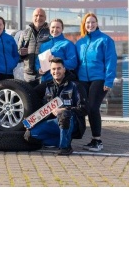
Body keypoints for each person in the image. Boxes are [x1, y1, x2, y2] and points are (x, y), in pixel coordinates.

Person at [26, 58, 86, 156]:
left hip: (72, 122)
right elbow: (43, 109)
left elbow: (84, 109)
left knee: (64, 114)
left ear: (64, 70)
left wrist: (65, 109)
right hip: (54, 122)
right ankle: (61, 140)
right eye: (53, 69)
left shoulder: (75, 85)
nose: (56, 71)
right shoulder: (48, 86)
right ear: (50, 71)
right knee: (30, 135)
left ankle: (65, 147)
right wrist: (32, 120)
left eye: (59, 68)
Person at [76, 12, 117, 152]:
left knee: (93, 107)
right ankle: (80, 137)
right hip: (82, 80)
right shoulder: (80, 42)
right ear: (84, 25)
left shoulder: (105, 40)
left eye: (93, 22)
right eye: (88, 22)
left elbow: (111, 61)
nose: (90, 25)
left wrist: (109, 80)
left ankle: (97, 140)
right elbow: (76, 62)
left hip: (99, 79)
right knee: (83, 108)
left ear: (97, 23)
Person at [36, 18, 77, 83]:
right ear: (49, 28)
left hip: (62, 81)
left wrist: (57, 61)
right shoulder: (44, 45)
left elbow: (73, 63)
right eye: (53, 27)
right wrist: (39, 69)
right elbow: (38, 61)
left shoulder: (67, 44)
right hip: (46, 80)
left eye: (58, 27)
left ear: (62, 29)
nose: (55, 30)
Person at [18, 8, 50, 86]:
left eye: (41, 16)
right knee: (28, 93)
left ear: (45, 18)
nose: (38, 18)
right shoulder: (24, 33)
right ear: (32, 17)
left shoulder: (50, 33)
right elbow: (18, 53)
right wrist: (21, 54)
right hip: (28, 74)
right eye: (36, 15)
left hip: (44, 73)